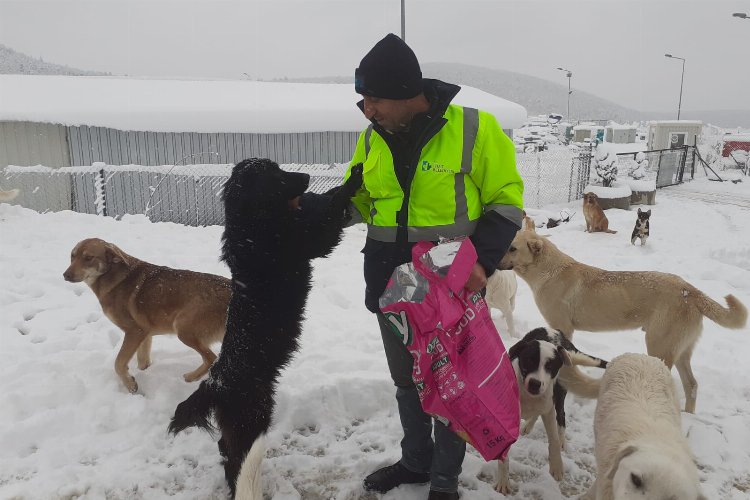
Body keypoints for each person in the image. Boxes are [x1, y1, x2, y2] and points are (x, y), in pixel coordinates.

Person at [302, 33, 524, 500]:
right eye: (363, 100)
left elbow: (507, 202)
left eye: (375, 99)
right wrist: (308, 215)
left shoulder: (475, 130)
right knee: (408, 382)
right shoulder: (372, 138)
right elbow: (359, 199)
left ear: (406, 93)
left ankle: (443, 483)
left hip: (450, 282)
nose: (367, 109)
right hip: (390, 282)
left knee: (450, 385)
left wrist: (482, 261)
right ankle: (415, 462)